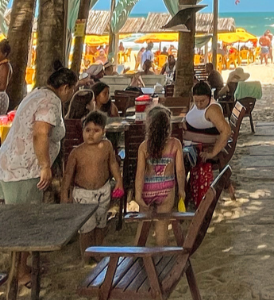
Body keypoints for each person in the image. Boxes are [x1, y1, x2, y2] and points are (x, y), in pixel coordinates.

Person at [0, 63, 78, 209]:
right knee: (24, 219)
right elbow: (40, 133)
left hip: (9, 165)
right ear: (65, 88)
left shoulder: (37, 93)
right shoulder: (51, 101)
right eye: (72, 89)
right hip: (22, 171)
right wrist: (45, 165)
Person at [62, 110, 123, 257]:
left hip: (103, 190)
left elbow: (113, 164)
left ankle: (98, 252)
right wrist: (64, 193)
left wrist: (119, 181)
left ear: (103, 131)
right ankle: (86, 255)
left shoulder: (107, 146)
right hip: (83, 193)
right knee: (86, 228)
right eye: (87, 130)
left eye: (96, 131)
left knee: (101, 224)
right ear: (82, 130)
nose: (91, 134)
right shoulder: (77, 152)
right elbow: (68, 174)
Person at [129, 105, 186, 246]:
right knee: (162, 227)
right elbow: (180, 171)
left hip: (147, 188)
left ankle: (137, 255)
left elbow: (140, 173)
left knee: (143, 226)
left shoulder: (144, 147)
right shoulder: (175, 144)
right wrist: (181, 190)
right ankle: (161, 256)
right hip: (167, 189)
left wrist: (138, 195)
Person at [185, 80, 232, 207]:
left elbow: (226, 131)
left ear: (209, 97)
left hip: (204, 146)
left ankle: (186, 195)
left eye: (202, 101)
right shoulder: (197, 104)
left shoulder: (212, 109)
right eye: (196, 101)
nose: (199, 104)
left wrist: (212, 153)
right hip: (192, 142)